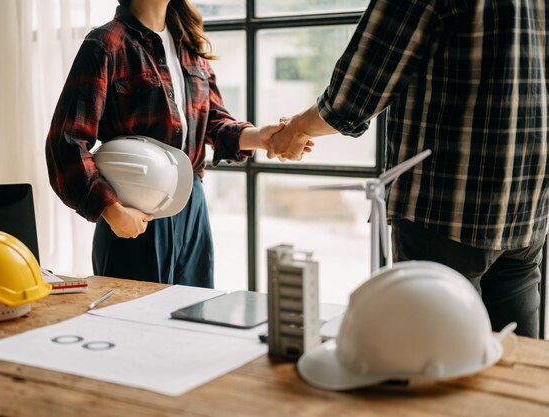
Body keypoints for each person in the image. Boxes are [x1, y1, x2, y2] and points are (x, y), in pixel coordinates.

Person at [267, 0, 548, 338]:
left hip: (444, 211)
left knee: (436, 367)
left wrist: (297, 130)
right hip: (528, 206)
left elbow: (355, 94)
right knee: (516, 368)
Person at [45, 0, 309, 288]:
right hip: (135, 210)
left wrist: (260, 136)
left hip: (192, 202)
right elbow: (66, 141)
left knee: (193, 316)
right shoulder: (106, 44)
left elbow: (213, 123)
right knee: (133, 321)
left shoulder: (189, 45)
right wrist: (112, 211)